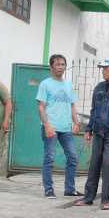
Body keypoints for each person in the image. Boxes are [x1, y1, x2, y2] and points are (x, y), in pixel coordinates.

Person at [75, 58, 109, 210]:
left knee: (108, 164)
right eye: (102, 68)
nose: (103, 71)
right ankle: (88, 197)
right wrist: (88, 129)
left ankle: (105, 200)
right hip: (98, 131)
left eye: (106, 68)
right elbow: (93, 110)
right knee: (94, 164)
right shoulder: (99, 87)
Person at [36, 54, 83, 199]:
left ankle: (70, 189)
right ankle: (48, 189)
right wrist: (47, 125)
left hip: (66, 128)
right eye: (57, 64)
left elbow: (72, 105)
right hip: (51, 127)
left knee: (73, 157)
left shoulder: (68, 84)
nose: (61, 67)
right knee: (49, 158)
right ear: (51, 67)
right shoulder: (45, 84)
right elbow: (41, 107)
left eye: (63, 64)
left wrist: (76, 122)